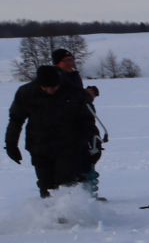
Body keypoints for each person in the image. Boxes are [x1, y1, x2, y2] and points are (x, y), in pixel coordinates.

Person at [5, 65, 93, 197]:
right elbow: (16, 120)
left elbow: (87, 119)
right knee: (46, 185)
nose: (50, 90)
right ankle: (48, 215)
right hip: (39, 147)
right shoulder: (26, 93)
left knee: (65, 183)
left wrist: (89, 141)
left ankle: (69, 215)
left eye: (54, 86)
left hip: (68, 146)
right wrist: (11, 145)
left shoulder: (73, 92)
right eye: (46, 87)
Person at [50, 47, 104, 197]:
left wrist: (87, 94)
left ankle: (89, 194)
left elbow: (78, 96)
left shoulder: (73, 75)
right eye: (66, 60)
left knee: (92, 154)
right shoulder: (56, 78)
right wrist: (86, 95)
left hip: (85, 122)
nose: (71, 62)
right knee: (79, 161)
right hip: (71, 128)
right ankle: (81, 197)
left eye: (72, 59)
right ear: (57, 63)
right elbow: (68, 100)